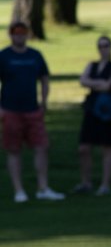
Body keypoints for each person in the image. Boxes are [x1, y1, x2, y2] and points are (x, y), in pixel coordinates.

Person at [0, 20, 64, 202]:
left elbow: (44, 78)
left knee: (42, 147)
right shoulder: (4, 56)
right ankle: (18, 190)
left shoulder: (35, 55)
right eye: (16, 32)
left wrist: (44, 101)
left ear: (27, 34)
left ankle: (43, 188)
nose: (19, 35)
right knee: (13, 150)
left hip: (32, 109)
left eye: (22, 32)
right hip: (10, 109)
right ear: (11, 35)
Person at [73, 35, 111, 196]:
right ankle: (86, 182)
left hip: (107, 110)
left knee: (107, 147)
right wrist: (99, 83)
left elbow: (108, 86)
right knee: (84, 147)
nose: (103, 49)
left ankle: (105, 184)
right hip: (91, 108)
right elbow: (82, 80)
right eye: (100, 46)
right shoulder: (92, 65)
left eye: (106, 45)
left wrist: (95, 83)